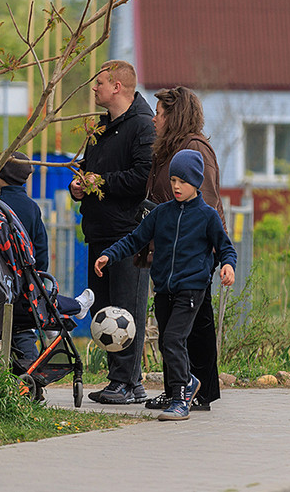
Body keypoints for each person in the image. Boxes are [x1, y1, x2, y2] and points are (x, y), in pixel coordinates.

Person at [94, 149, 237, 421]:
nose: (176, 186)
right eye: (173, 180)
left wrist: (228, 265)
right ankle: (188, 383)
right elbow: (134, 239)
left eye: (182, 181)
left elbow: (225, 248)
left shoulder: (207, 216)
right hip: (164, 290)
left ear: (196, 182)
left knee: (173, 339)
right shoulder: (161, 213)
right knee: (166, 343)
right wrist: (109, 255)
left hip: (191, 289)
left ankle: (181, 399)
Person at [68, 60, 155, 404]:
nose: (94, 88)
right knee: (103, 310)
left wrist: (99, 182)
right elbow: (89, 169)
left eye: (100, 82)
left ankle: (127, 382)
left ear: (117, 87)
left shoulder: (143, 125)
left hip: (129, 234)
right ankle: (123, 380)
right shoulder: (101, 127)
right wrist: (79, 185)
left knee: (126, 309)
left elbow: (142, 178)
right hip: (99, 230)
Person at [141, 86, 227, 412]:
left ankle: (199, 391)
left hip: (193, 253)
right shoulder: (170, 148)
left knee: (195, 325)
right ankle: (176, 389)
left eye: (159, 113)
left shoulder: (194, 148)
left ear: (173, 116)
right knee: (170, 324)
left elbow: (206, 202)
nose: (154, 119)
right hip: (171, 251)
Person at [0, 151, 94, 369]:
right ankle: (73, 308)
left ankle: (70, 308)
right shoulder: (30, 207)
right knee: (33, 312)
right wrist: (36, 276)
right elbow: (40, 250)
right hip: (23, 288)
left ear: (4, 175)